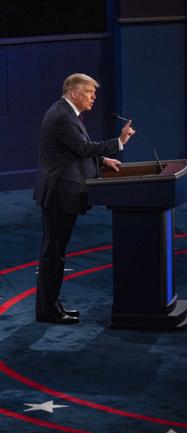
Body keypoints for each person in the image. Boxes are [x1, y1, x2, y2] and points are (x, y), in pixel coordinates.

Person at [32, 73, 136, 324]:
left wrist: (102, 161)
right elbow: (81, 148)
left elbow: (75, 149)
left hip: (63, 191)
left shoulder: (67, 114)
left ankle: (50, 306)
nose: (93, 97)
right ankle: (48, 310)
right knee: (53, 254)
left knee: (55, 252)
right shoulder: (60, 117)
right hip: (59, 193)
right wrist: (118, 143)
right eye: (90, 93)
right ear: (75, 93)